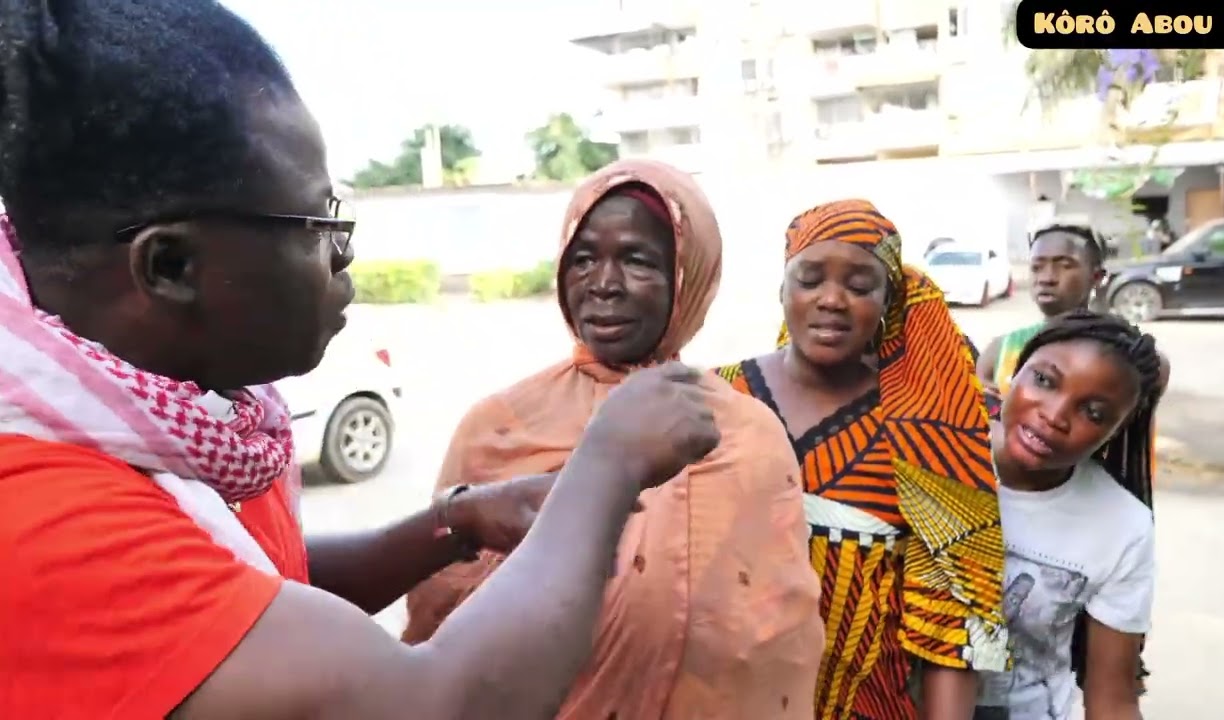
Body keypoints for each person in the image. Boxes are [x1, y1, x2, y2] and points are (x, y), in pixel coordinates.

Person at [0, 2, 722, 718]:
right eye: (319, 224)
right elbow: (438, 705)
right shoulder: (43, 520)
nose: (345, 253)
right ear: (171, 265)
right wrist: (607, 464)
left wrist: (457, 524)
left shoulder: (166, 423)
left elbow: (258, 595)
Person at [402, 158, 824, 719]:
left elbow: (777, 646)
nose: (603, 283)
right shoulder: (498, 426)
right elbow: (437, 618)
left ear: (687, 275)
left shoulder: (747, 434)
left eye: (636, 259)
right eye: (583, 259)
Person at [713, 199, 1009, 720]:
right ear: (782, 289)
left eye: (860, 284)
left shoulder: (926, 427)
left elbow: (948, 626)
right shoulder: (716, 399)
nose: (833, 300)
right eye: (809, 278)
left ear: (888, 301)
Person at [974, 311, 1161, 720]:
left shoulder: (1122, 526)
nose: (1055, 416)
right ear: (1015, 370)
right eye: (1044, 380)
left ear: (1115, 431)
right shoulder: (937, 458)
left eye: (1093, 413)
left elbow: (1112, 698)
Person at [976, 225, 1106, 399]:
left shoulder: (1123, 355)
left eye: (1065, 266)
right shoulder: (1001, 350)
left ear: (1096, 277)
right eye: (1037, 267)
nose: (1047, 278)